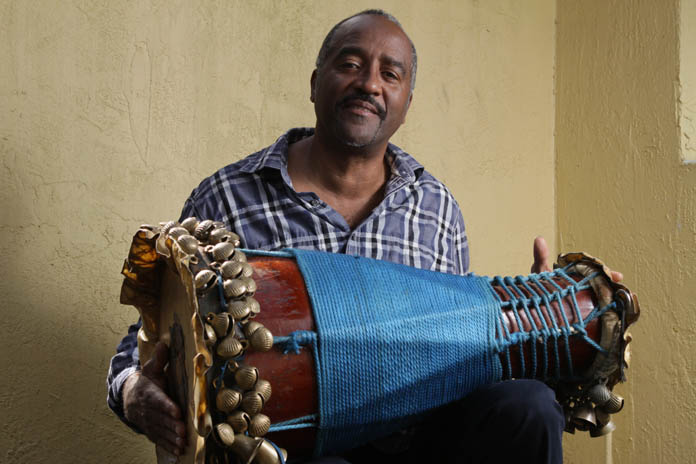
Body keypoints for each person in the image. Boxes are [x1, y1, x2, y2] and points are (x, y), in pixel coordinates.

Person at [108, 9, 572, 463]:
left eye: (390, 74)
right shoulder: (228, 197)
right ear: (315, 83)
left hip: (417, 439)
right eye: (351, 64)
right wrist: (130, 390)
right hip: (291, 445)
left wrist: (535, 318)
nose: (369, 84)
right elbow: (152, 332)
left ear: (406, 104)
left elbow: (461, 345)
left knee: (528, 408)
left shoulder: (436, 209)